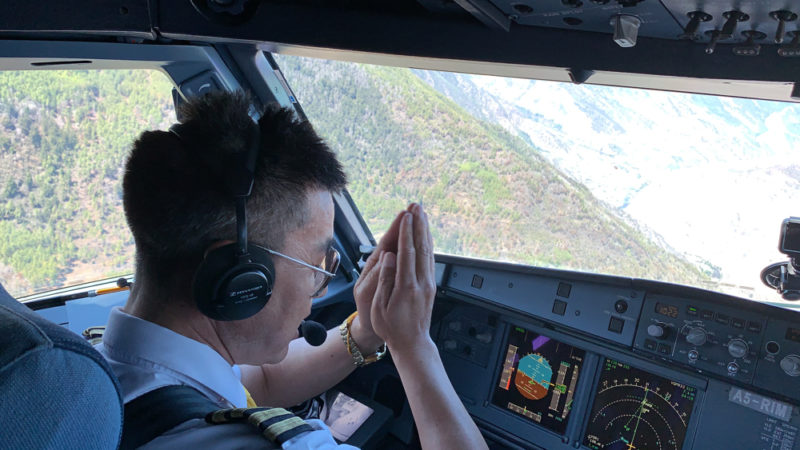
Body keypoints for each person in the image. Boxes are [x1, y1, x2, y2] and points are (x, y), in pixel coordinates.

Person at [99, 91, 487, 449]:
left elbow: (261, 382)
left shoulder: (104, 373)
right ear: (240, 279)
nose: (319, 287)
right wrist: (414, 344)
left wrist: (368, 331)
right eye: (316, 265)